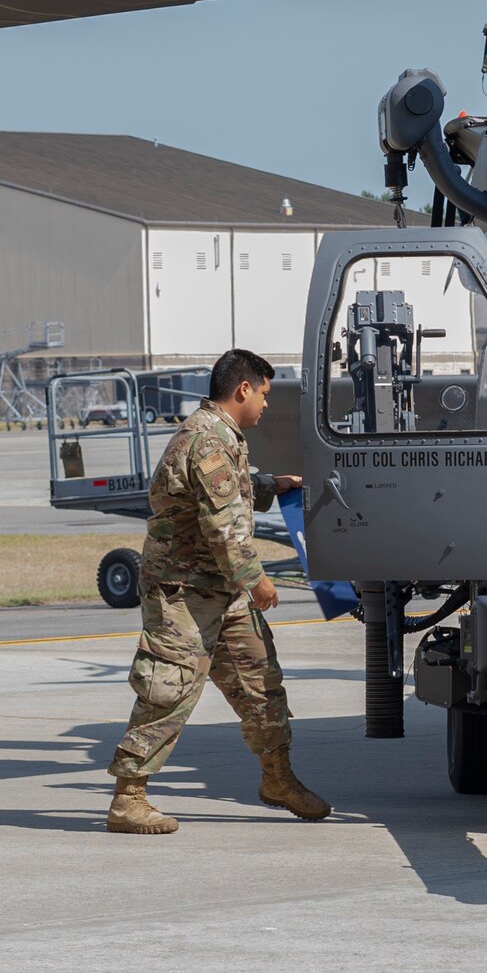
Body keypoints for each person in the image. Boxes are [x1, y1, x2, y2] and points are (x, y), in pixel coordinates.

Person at [106, 348, 331, 834]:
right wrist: (258, 580)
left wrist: (271, 484)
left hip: (219, 591)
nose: (267, 406)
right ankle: (129, 797)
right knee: (168, 690)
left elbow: (227, 490)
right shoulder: (209, 441)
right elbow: (223, 523)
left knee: (261, 684)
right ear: (243, 389)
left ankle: (277, 780)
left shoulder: (218, 436)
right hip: (183, 592)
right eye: (264, 395)